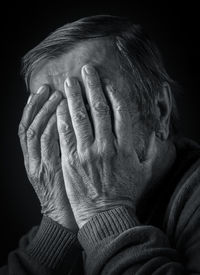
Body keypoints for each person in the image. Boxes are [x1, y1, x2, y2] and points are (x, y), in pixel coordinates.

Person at [1, 15, 200, 275]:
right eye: (50, 118)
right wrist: (57, 228)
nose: (70, 138)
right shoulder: (69, 213)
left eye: (92, 109)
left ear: (159, 110)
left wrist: (104, 211)